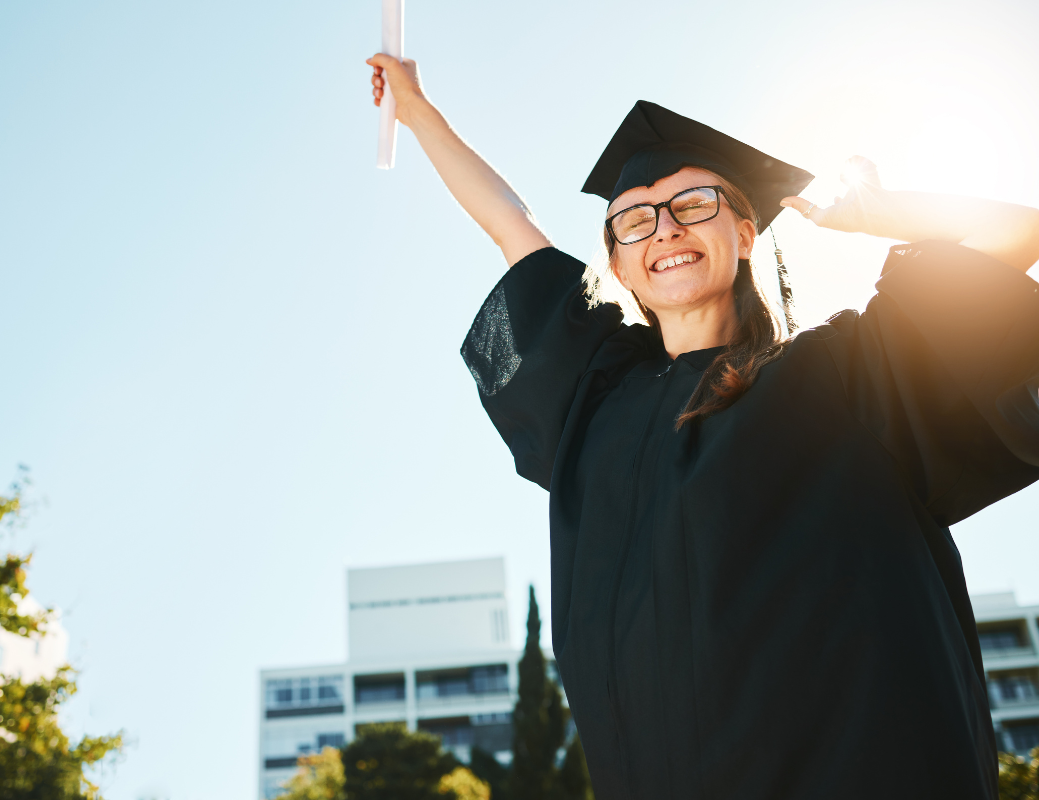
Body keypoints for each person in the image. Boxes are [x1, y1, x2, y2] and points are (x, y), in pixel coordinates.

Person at [367, 54, 1039, 800]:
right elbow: (508, 224)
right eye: (634, 220)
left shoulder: (851, 372)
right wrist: (418, 107)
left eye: (694, 204)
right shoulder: (592, 399)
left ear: (747, 232)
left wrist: (878, 213)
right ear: (619, 267)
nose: (664, 230)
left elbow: (1015, 238)